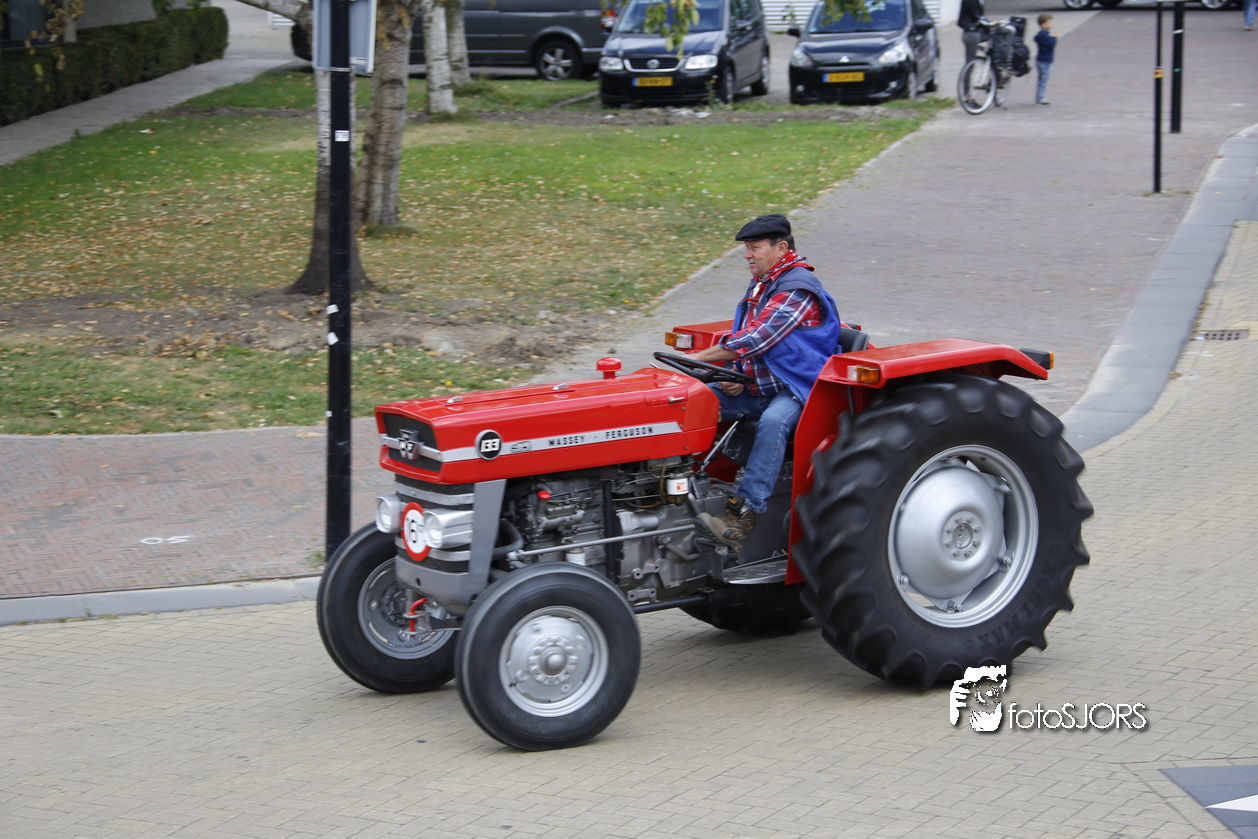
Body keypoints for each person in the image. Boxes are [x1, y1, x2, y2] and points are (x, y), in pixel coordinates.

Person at [689, 214, 842, 548]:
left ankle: (744, 512)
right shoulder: (764, 282)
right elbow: (748, 340)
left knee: (774, 421)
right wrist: (734, 376)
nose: (747, 255)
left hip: (796, 388)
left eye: (754, 247)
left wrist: (697, 359)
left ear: (781, 248)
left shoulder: (797, 288)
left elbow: (758, 338)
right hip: (758, 387)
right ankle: (676, 487)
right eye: (747, 248)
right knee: (691, 402)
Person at [1034, 13, 1058, 106]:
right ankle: (1040, 98)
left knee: (1041, 80)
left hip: (1041, 60)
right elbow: (1051, 45)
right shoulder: (1044, 35)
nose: (1051, 25)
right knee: (1043, 80)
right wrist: (1054, 37)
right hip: (1045, 61)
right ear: (1043, 25)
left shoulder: (1042, 34)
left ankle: (1040, 97)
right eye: (1049, 23)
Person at [958, 0, 986, 65]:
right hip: (972, 32)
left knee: (969, 60)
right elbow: (977, 16)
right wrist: (989, 25)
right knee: (970, 61)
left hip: (970, 31)